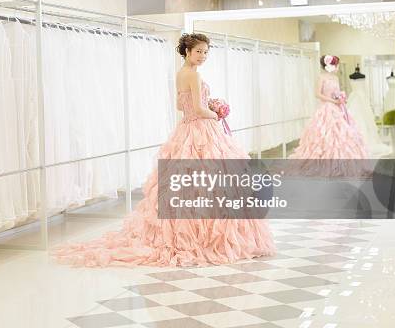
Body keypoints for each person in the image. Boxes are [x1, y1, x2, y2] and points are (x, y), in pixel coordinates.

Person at [52, 33, 276, 267]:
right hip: (202, 129)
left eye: (206, 52)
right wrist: (216, 113)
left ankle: (190, 231)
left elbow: (181, 105)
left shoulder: (180, 75)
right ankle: (204, 239)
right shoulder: (195, 76)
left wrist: (206, 106)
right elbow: (198, 110)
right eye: (199, 51)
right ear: (187, 52)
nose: (203, 56)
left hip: (187, 130)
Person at [289, 55, 367, 159]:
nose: (338, 67)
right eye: (336, 65)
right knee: (325, 132)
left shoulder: (336, 78)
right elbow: (317, 94)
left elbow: (336, 92)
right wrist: (333, 100)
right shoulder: (321, 77)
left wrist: (341, 98)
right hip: (326, 108)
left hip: (338, 108)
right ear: (330, 66)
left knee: (341, 133)